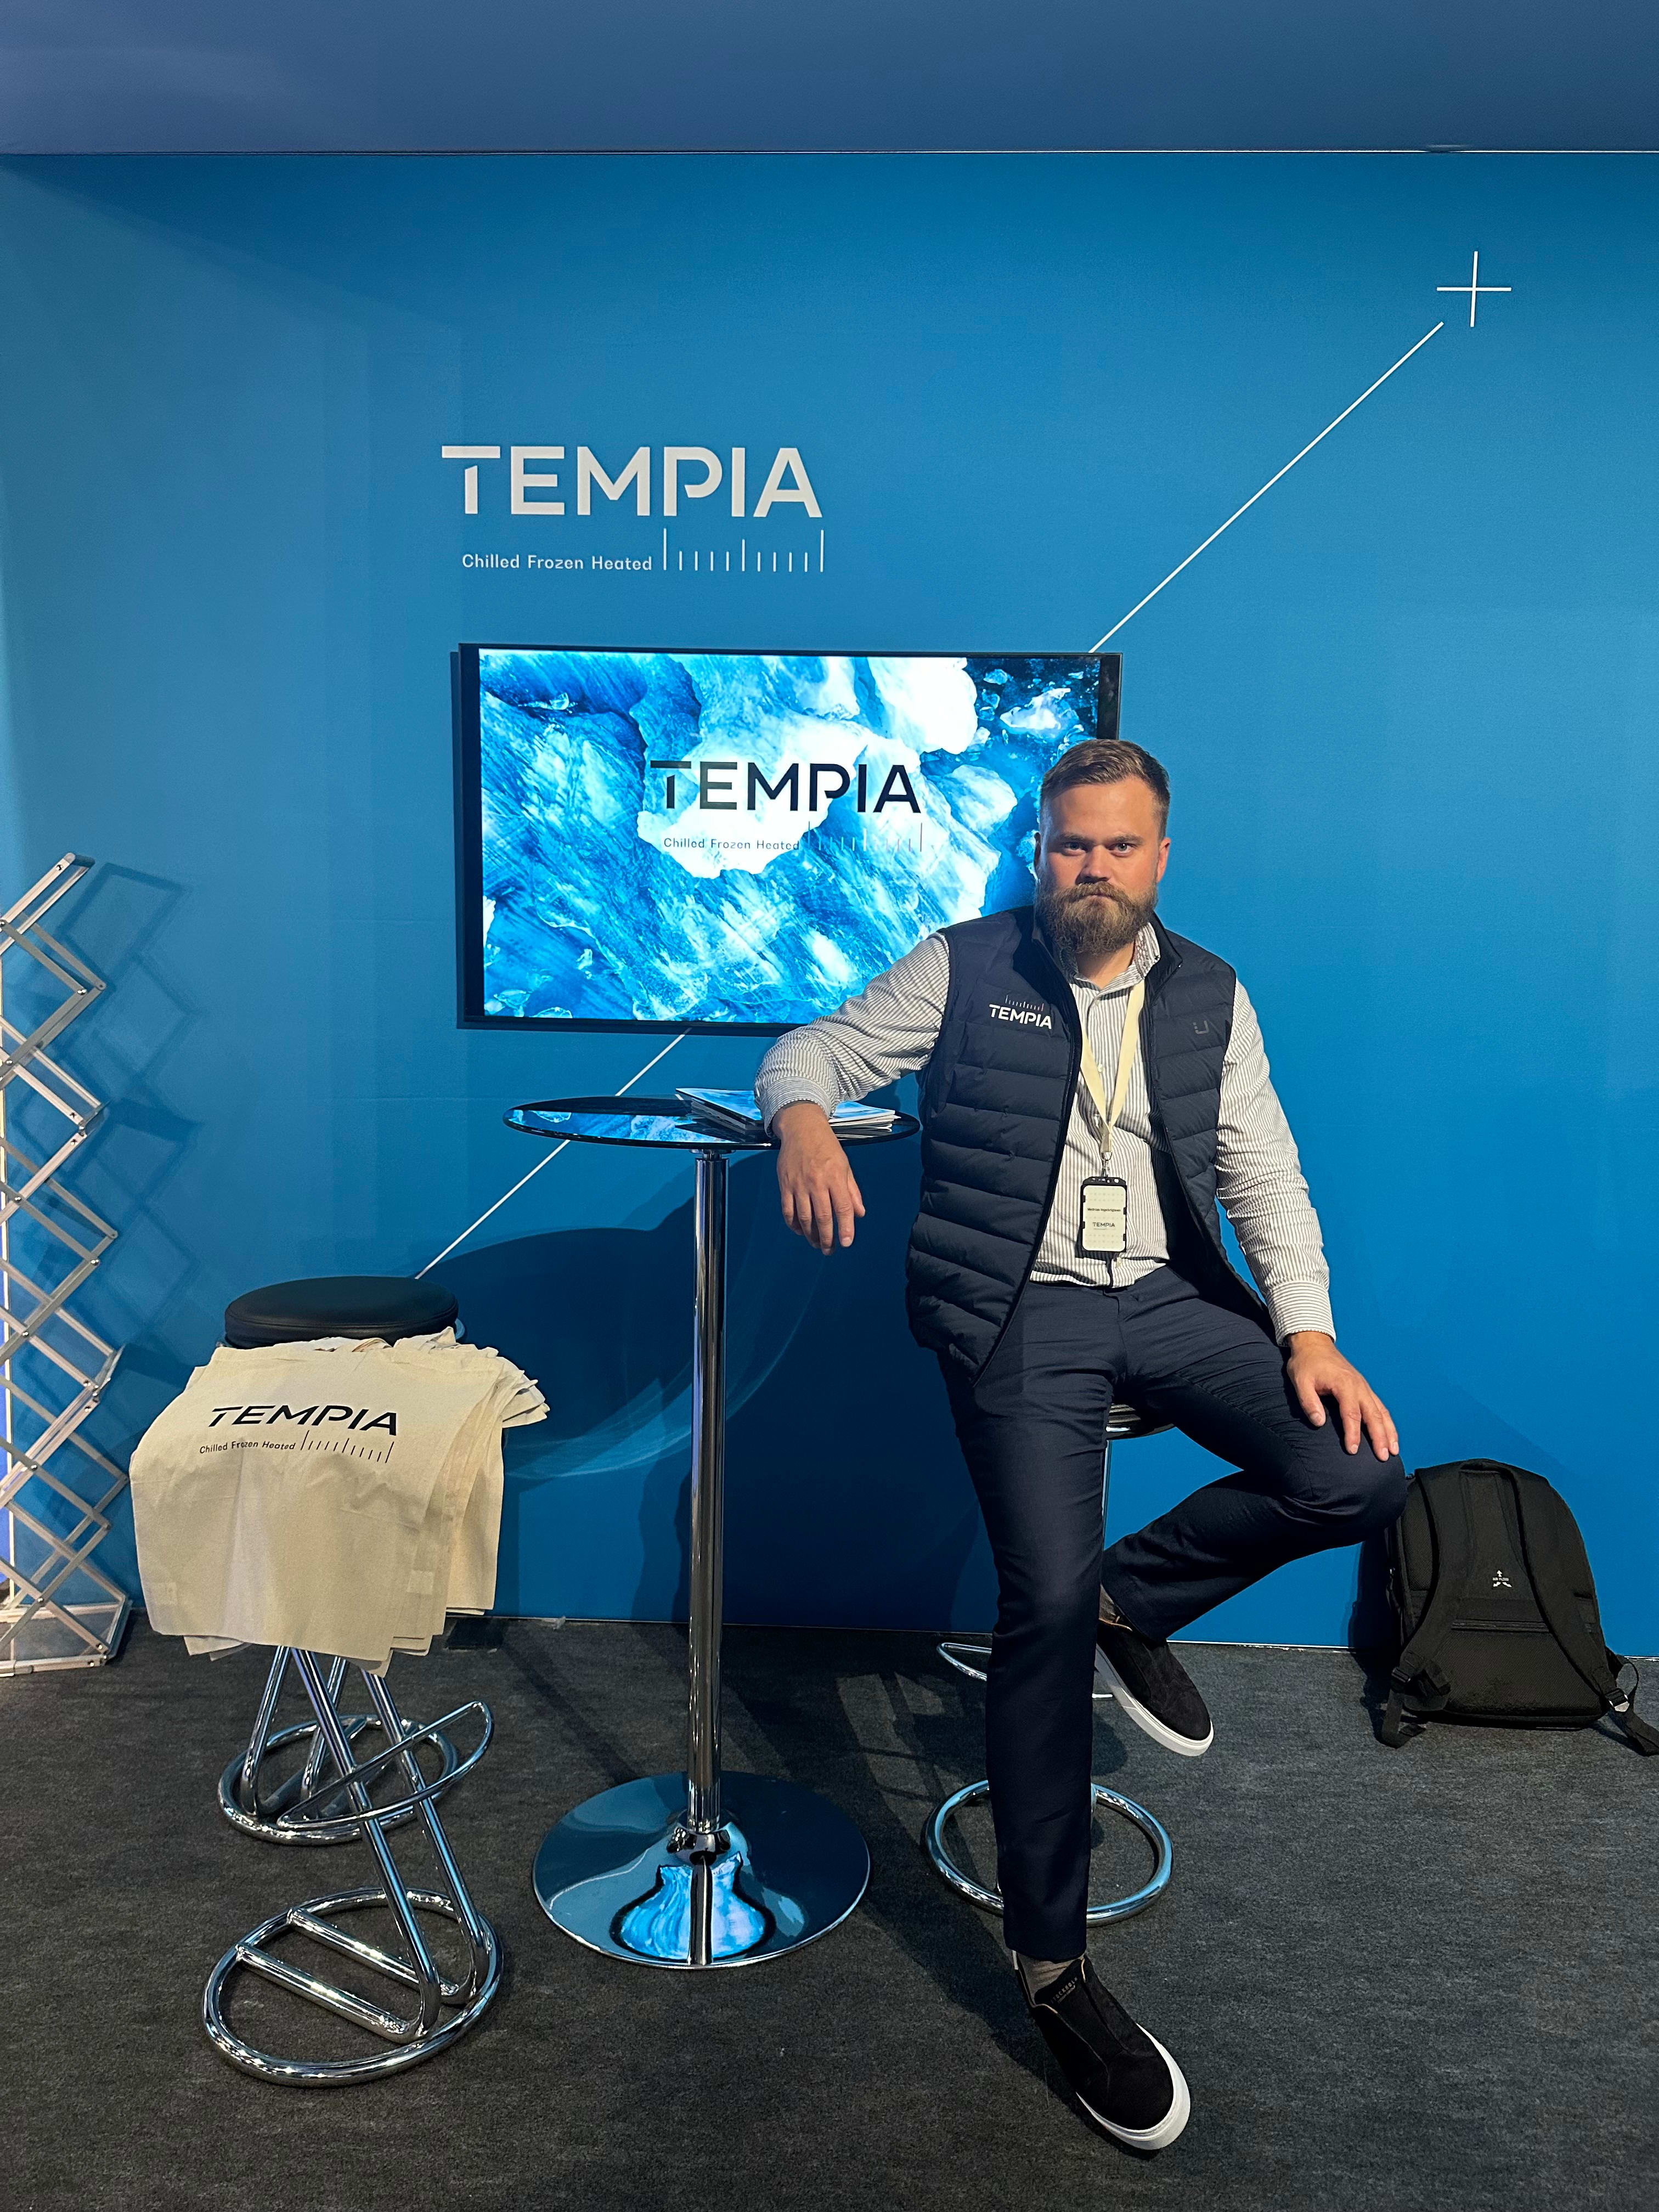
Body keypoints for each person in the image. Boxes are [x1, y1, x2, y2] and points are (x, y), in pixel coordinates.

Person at [754, 736, 1405, 2152]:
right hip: (1021, 1307)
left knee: (1353, 1472)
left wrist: (1307, 1332)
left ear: (1160, 857)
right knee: (1037, 1608)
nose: (1090, 869)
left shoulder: (1211, 992)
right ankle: (1054, 1968)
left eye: (1117, 846)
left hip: (1167, 1298)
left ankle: (1133, 1599)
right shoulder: (966, 963)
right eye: (1068, 844)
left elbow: (1263, 1170)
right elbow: (813, 1048)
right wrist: (802, 1119)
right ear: (1038, 851)